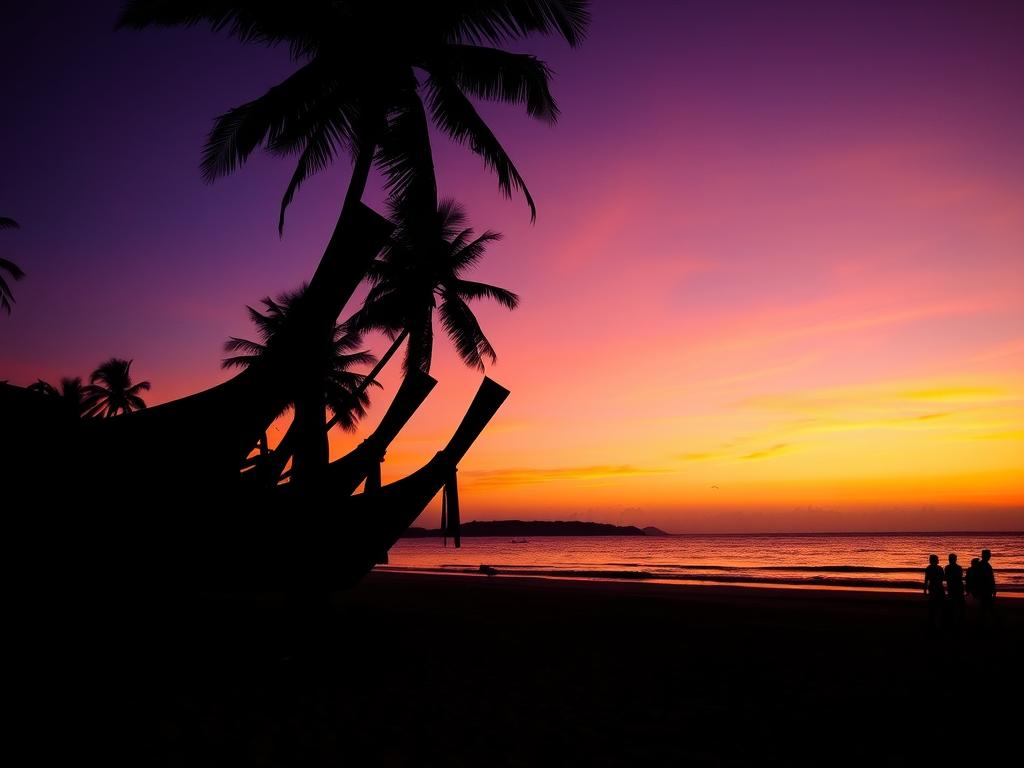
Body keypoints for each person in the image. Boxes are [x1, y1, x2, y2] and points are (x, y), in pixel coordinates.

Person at [974, 548, 997, 626]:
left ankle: (982, 621)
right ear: (985, 555)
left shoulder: (982, 565)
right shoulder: (984, 565)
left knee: (984, 606)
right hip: (985, 589)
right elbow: (988, 578)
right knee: (987, 606)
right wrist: (993, 588)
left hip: (984, 589)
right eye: (989, 554)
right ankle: (983, 622)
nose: (990, 556)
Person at [923, 554, 945, 629]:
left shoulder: (928, 568)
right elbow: (943, 578)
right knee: (940, 605)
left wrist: (925, 590)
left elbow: (926, 580)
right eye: (937, 559)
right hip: (939, 587)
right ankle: (938, 622)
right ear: (935, 560)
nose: (938, 560)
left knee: (933, 605)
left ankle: (932, 621)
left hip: (932, 587)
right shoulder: (940, 568)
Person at [944, 553, 965, 626]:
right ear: (955, 559)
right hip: (958, 587)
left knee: (952, 603)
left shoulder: (947, 567)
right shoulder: (959, 567)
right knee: (960, 604)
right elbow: (960, 577)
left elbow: (946, 577)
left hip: (951, 587)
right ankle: (959, 619)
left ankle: (952, 619)